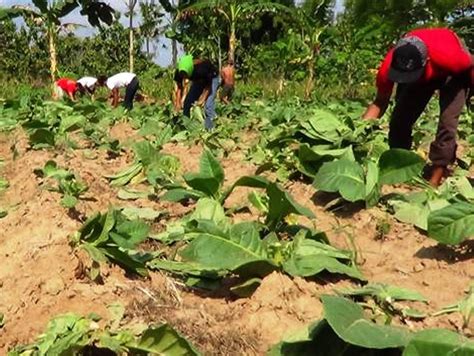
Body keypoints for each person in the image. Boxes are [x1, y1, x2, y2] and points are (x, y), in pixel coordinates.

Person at [363, 28, 473, 187]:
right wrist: (358, 131)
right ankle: (399, 166)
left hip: (454, 74)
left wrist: (469, 94)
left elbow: (470, 70)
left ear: (426, 61)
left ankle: (435, 179)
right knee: (399, 120)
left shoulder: (454, 59)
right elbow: (380, 102)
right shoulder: (390, 65)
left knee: (447, 124)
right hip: (423, 75)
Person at [173, 54, 219, 130]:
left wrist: (202, 99)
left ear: (190, 70)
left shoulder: (201, 69)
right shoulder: (179, 72)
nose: (184, 77)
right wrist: (178, 102)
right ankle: (185, 126)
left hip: (212, 78)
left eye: (186, 75)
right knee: (187, 103)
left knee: (208, 105)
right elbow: (179, 87)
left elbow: (208, 87)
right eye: (182, 76)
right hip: (198, 80)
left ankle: (212, 127)